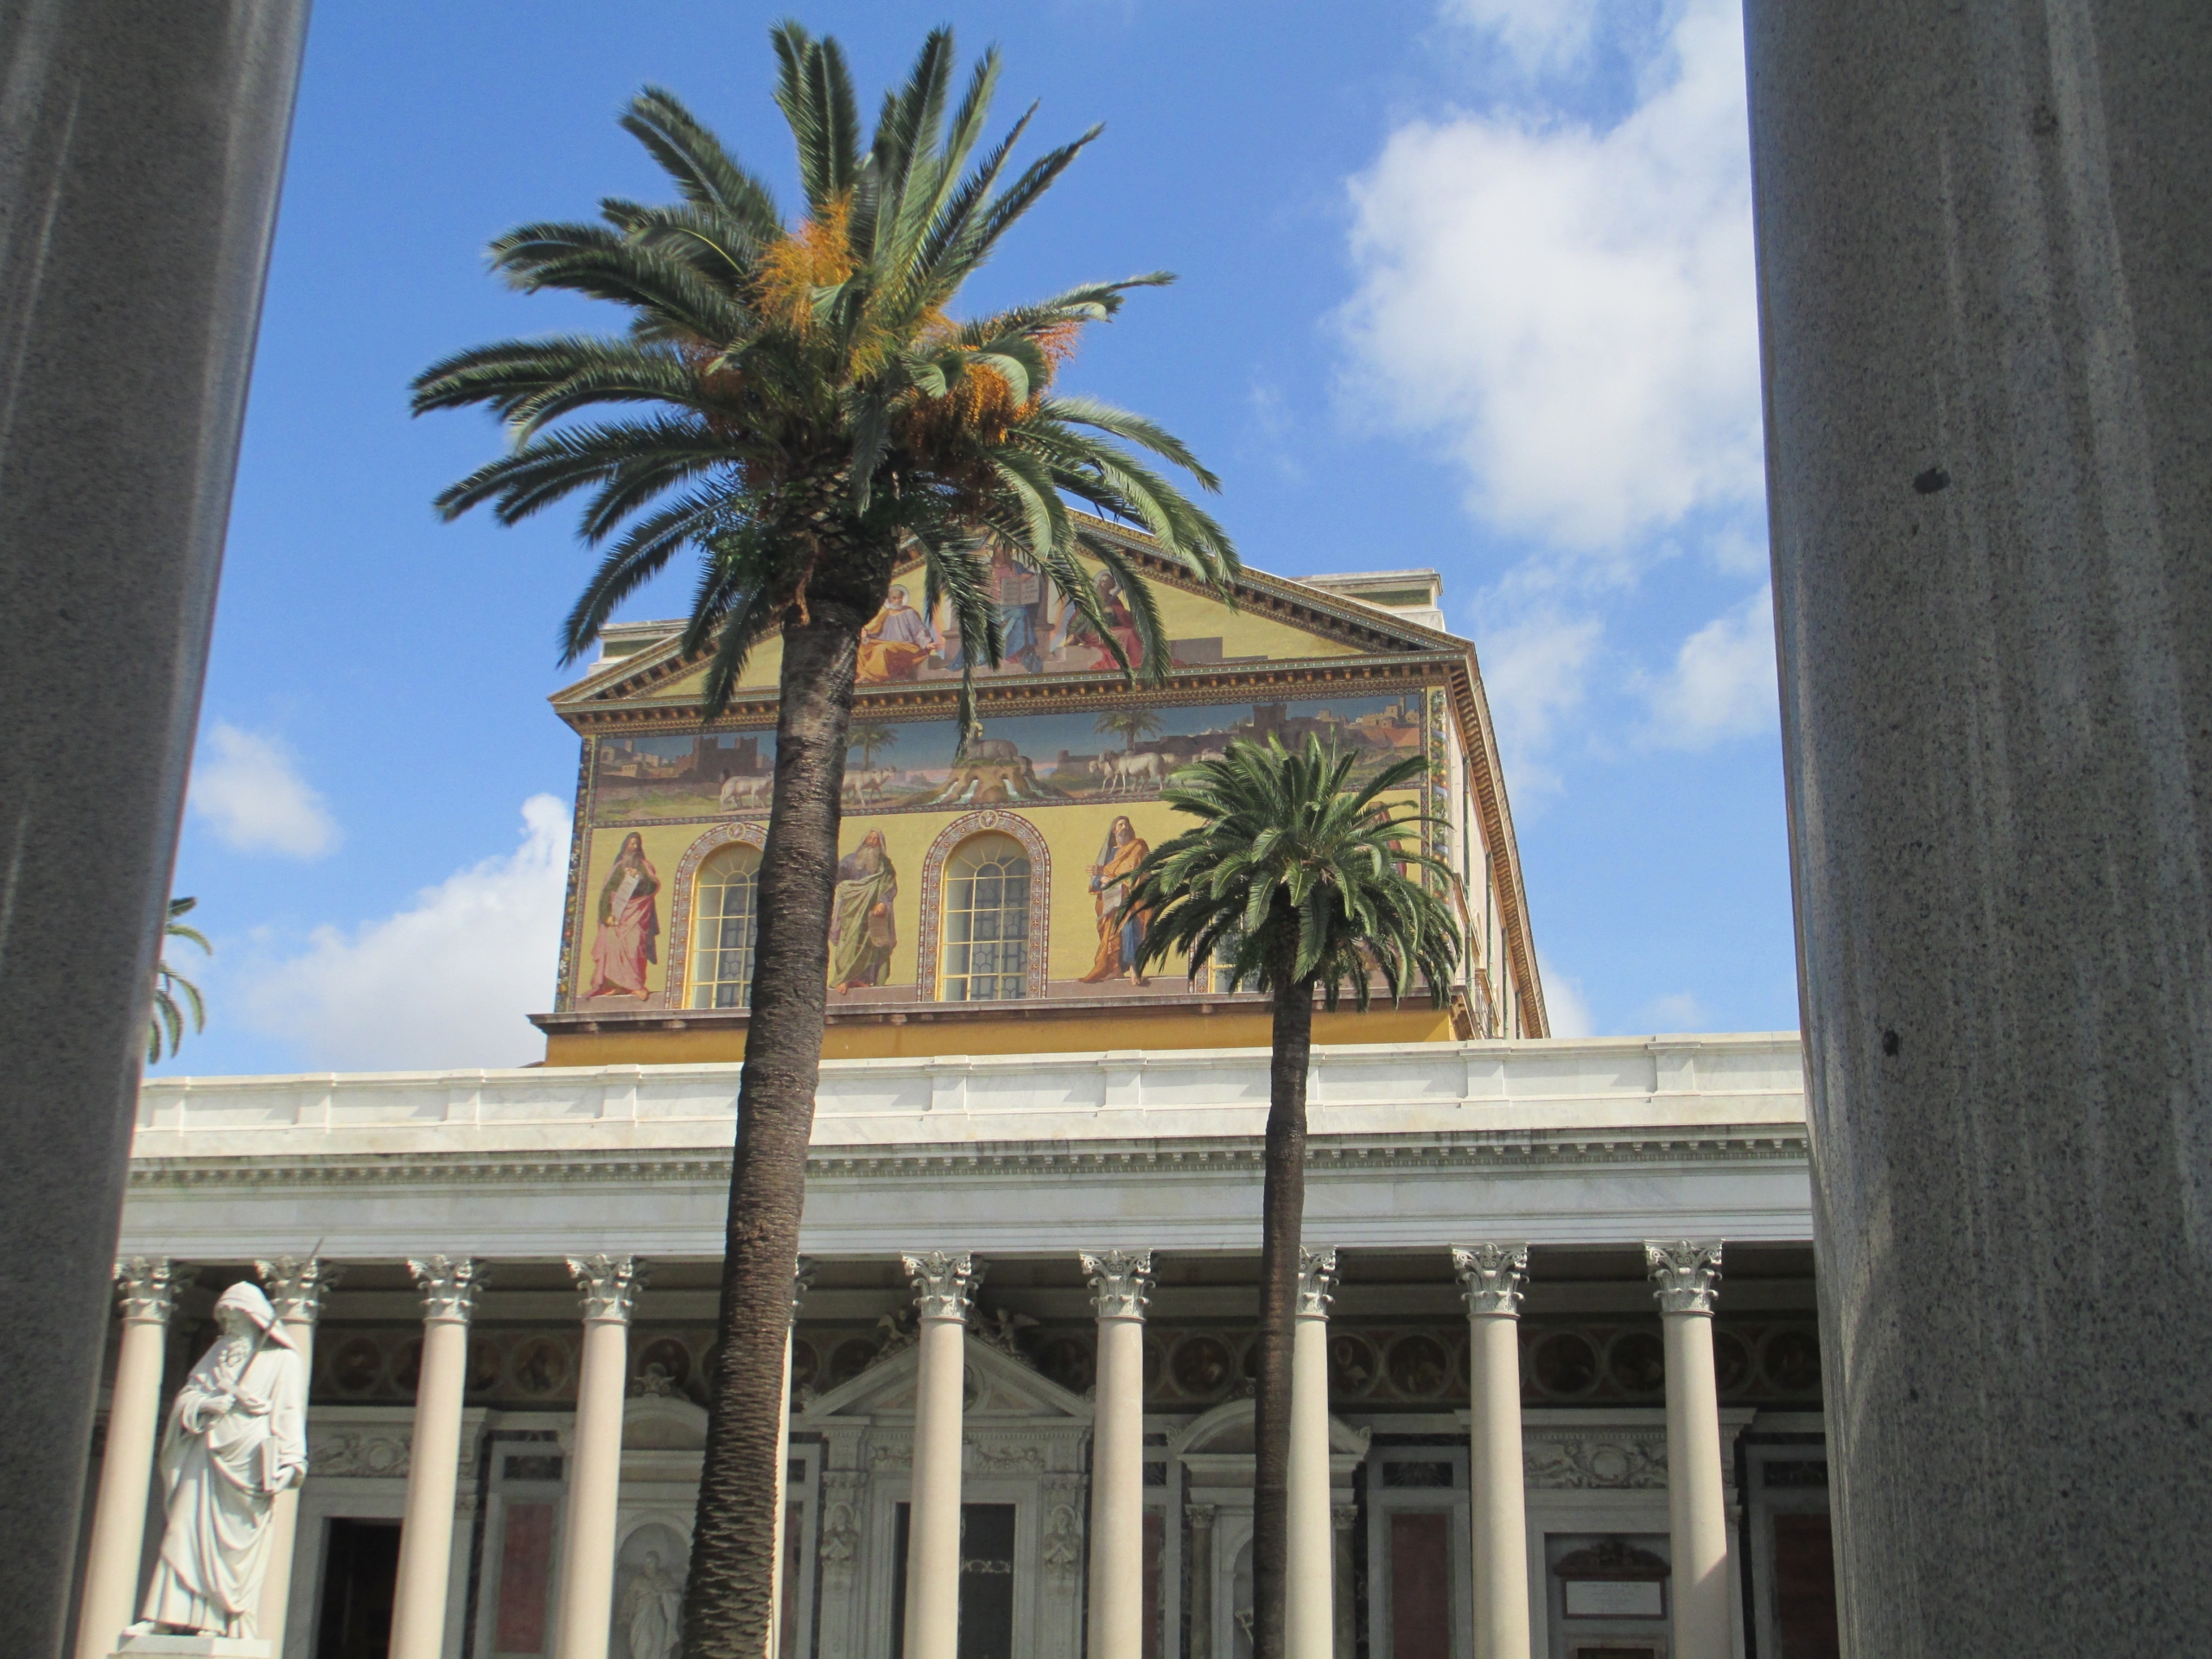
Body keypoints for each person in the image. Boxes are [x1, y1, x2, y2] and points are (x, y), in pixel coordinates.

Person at [133, 1281, 307, 1637]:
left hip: (247, 1462)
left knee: (232, 1550)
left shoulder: (282, 1360)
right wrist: (205, 1404)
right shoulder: (218, 1352)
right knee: (182, 1531)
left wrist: (291, 1463)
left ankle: (216, 1618)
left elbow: (289, 1414)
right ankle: (167, 1616)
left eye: (234, 1317)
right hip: (206, 1453)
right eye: (223, 1318)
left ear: (253, 1317)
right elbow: (188, 1396)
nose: (228, 1325)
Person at [1080, 816, 1152, 984]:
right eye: (1120, 825)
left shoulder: (1138, 848)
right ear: (1114, 831)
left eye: (1126, 824)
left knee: (1129, 927)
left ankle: (1134, 968)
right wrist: (1103, 878)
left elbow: (1140, 871)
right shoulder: (1110, 853)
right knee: (1112, 935)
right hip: (1111, 902)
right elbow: (1097, 880)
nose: (1124, 827)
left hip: (1132, 899)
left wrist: (1106, 873)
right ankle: (1115, 969)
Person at [588, 832, 659, 997]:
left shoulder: (645, 867)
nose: (634, 847)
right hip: (617, 915)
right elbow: (606, 892)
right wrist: (607, 914)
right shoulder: (618, 868)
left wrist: (639, 878)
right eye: (631, 844)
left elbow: (652, 887)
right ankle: (618, 986)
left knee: (635, 948)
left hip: (637, 914)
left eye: (637, 844)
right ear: (625, 845)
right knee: (613, 948)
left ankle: (635, 985)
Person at [829, 829, 899, 989]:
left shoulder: (884, 864)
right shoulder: (849, 860)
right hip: (852, 912)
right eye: (871, 838)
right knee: (849, 944)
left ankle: (864, 980)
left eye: (876, 839)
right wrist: (850, 889)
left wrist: (883, 902)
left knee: (874, 945)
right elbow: (836, 879)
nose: (873, 841)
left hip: (874, 913)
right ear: (865, 839)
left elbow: (890, 886)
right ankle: (844, 978)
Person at [855, 585, 938, 682]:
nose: (897, 600)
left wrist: (927, 643)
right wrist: (866, 635)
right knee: (861, 647)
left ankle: (870, 677)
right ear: (889, 600)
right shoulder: (886, 614)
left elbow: (919, 630)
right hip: (886, 643)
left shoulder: (909, 613)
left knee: (881, 649)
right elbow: (877, 632)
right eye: (894, 598)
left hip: (905, 646)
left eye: (900, 598)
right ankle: (862, 675)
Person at [621, 1549, 683, 1659]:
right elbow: (629, 1598)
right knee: (643, 1644)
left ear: (657, 1564)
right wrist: (625, 1613)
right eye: (647, 1563)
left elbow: (676, 1593)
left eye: (651, 1563)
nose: (648, 1566)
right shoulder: (638, 1581)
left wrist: (663, 1594)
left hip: (657, 1617)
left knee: (657, 1645)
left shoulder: (663, 1578)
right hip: (641, 1618)